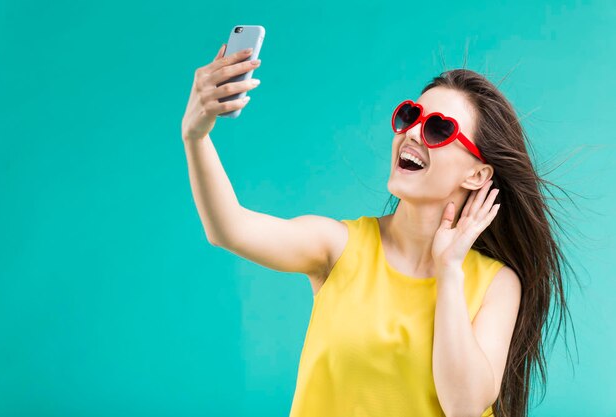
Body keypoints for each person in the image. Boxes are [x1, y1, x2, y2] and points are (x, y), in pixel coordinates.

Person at [181, 44, 575, 417]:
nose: (414, 133)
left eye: (439, 129)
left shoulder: (495, 284)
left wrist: (449, 270)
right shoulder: (337, 247)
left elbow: (464, 407)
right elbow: (229, 228)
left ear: (477, 174)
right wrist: (195, 136)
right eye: (410, 116)